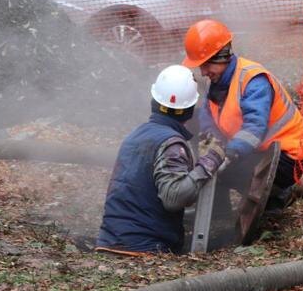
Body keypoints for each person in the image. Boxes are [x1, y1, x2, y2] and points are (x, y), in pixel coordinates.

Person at [181, 19, 303, 212]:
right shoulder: (215, 82)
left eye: (206, 65)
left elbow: (253, 129)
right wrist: (210, 142)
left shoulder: (253, 81)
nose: (203, 72)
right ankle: (217, 208)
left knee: (229, 169)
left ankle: (276, 195)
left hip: (289, 156)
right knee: (191, 121)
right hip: (261, 149)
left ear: (222, 56)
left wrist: (227, 155)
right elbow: (207, 118)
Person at [96, 65, 226, 255]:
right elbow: (174, 197)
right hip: (144, 249)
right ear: (190, 109)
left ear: (154, 101)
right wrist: (210, 161)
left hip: (109, 242)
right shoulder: (172, 144)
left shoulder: (134, 135)